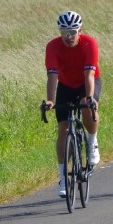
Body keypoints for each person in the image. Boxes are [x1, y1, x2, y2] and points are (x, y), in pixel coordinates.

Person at [42, 11, 101, 198]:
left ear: (80, 30)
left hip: (88, 82)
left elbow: (89, 74)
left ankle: (92, 142)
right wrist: (50, 100)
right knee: (63, 128)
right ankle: (63, 177)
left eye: (72, 32)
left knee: (86, 104)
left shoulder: (89, 43)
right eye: (64, 32)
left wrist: (90, 97)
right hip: (66, 85)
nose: (68, 37)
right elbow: (52, 76)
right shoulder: (52, 46)